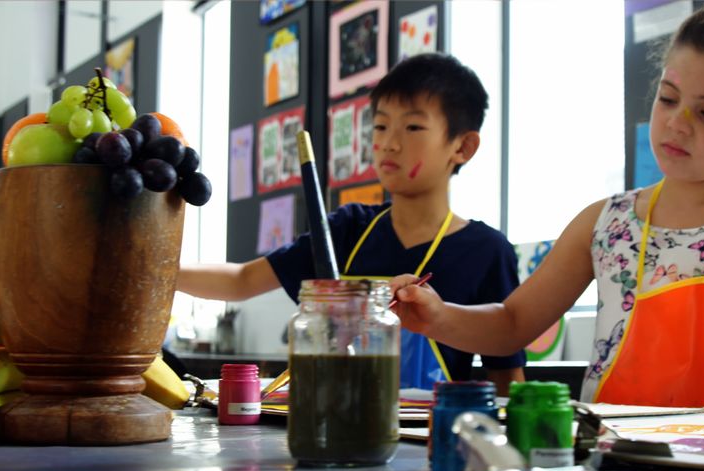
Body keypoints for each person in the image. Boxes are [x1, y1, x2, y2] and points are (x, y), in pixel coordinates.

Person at [390, 4, 704, 417]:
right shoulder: (608, 223)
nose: (677, 123)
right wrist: (438, 315)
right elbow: (513, 321)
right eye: (668, 98)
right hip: (613, 466)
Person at [177, 53, 526, 393]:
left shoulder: (487, 251)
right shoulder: (348, 228)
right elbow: (242, 280)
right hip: (339, 425)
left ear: (463, 146)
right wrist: (154, 272)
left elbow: (507, 381)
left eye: (413, 127)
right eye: (380, 125)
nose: (388, 143)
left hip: (431, 441)